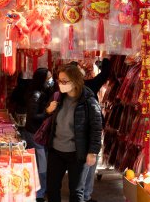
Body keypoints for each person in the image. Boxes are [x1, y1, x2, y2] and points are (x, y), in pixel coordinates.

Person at [46, 64, 103, 202]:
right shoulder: (58, 97)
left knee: (76, 192)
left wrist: (93, 152)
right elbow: (48, 119)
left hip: (77, 154)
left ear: (75, 81)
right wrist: (48, 110)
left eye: (64, 81)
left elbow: (96, 128)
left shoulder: (89, 100)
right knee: (52, 188)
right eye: (59, 80)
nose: (61, 84)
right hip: (56, 150)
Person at [22, 67, 54, 202]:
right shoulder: (36, 94)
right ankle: (39, 194)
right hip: (34, 133)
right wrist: (47, 112)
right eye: (48, 78)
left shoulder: (42, 92)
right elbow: (33, 116)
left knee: (42, 163)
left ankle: (41, 191)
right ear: (42, 80)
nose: (51, 81)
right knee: (41, 165)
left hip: (39, 134)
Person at [82, 58, 110, 202]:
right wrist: (106, 58)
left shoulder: (67, 89)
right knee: (87, 165)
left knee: (84, 166)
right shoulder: (90, 86)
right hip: (88, 133)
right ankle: (84, 195)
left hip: (79, 134)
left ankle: (83, 195)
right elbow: (105, 74)